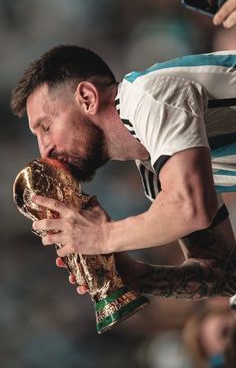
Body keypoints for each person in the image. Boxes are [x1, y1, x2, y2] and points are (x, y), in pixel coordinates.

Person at [11, 45, 236, 300]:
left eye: (47, 126)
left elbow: (191, 208)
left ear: (87, 98)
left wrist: (103, 236)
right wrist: (132, 275)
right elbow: (224, 274)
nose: (44, 150)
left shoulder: (149, 95)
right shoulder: (155, 170)